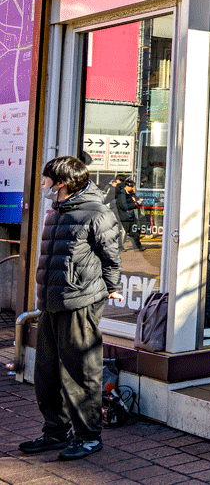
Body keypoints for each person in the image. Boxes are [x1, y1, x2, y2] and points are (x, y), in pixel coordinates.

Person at [20, 156, 121, 460]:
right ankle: (55, 431)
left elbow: (111, 256)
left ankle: (88, 437)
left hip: (80, 302)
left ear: (61, 182)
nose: (43, 183)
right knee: (46, 373)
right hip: (51, 304)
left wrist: (110, 288)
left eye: (46, 178)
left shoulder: (96, 212)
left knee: (81, 372)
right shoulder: (56, 212)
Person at [114, 177, 143, 250]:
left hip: (129, 216)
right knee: (124, 233)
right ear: (126, 187)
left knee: (133, 231)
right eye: (131, 187)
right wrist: (135, 204)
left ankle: (137, 246)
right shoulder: (122, 194)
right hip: (124, 216)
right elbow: (124, 206)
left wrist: (137, 202)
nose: (132, 188)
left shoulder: (129, 193)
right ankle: (120, 247)